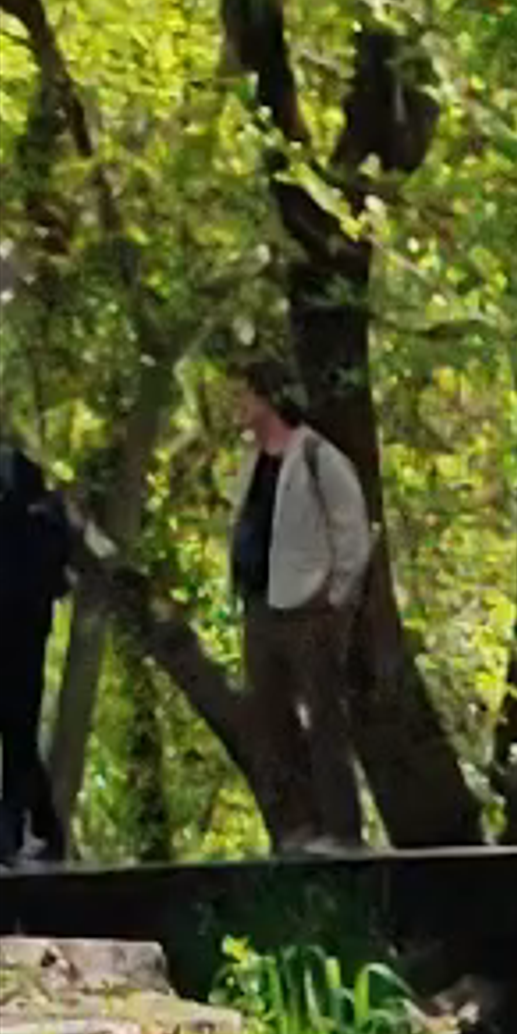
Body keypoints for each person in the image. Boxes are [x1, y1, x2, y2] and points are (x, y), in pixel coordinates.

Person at [225, 359, 376, 847]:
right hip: (261, 602)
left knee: (325, 720)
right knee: (271, 717)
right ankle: (300, 824)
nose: (238, 405)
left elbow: (352, 532)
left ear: (269, 398)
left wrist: (334, 598)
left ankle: (342, 828)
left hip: (310, 607)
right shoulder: (252, 461)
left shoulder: (317, 456)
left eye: (245, 395)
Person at [0, 433, 73, 862]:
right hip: (22, 631)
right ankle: (40, 827)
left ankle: (16, 834)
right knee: (18, 737)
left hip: (21, 636)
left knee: (18, 737)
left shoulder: (35, 508)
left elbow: (46, 567)